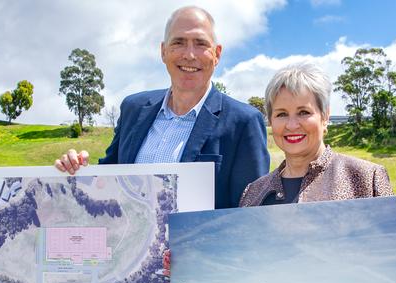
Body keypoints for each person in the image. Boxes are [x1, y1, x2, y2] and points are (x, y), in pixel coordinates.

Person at [55, 6, 270, 209]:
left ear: (217, 54)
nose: (189, 54)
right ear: (163, 51)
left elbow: (248, 215)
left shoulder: (244, 122)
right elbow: (107, 181)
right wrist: (76, 169)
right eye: (178, 42)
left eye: (200, 43)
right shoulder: (133, 108)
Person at [239, 62, 396, 233]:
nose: (292, 125)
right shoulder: (253, 192)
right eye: (281, 114)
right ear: (271, 121)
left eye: (304, 112)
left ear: (325, 116)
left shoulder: (366, 177)